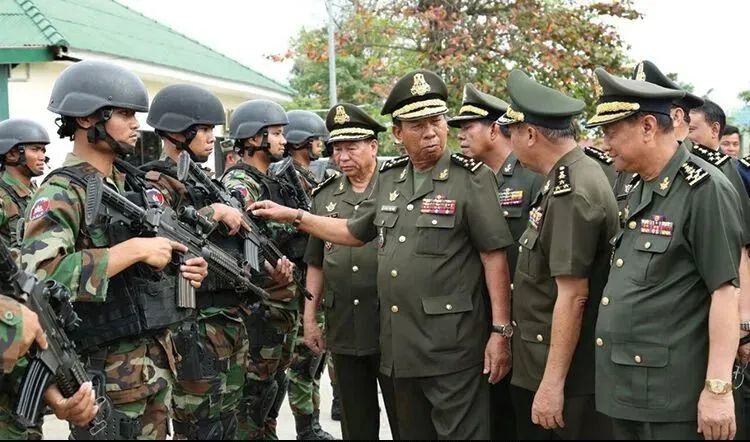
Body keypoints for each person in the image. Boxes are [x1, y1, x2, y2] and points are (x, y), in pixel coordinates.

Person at [250, 69, 515, 439]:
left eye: (436, 121)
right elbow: (352, 232)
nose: (431, 132)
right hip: (399, 348)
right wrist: (296, 216)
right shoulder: (391, 180)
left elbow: (494, 257)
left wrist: (500, 331)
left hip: (453, 347)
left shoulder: (470, 178)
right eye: (417, 124)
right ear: (397, 133)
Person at [20, 60, 208, 439]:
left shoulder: (130, 185)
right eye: (124, 114)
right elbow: (39, 278)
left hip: (154, 368)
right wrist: (135, 250)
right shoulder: (61, 192)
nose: (136, 124)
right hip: (105, 377)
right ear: (89, 119)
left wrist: (187, 269)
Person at [588, 67, 742, 440]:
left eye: (611, 133)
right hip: (628, 387)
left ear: (647, 127)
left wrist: (718, 389)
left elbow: (725, 292)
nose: (606, 144)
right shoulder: (639, 186)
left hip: (670, 396)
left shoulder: (704, 190)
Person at [142, 83, 291, 440]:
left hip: (228, 319)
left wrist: (269, 274)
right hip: (194, 323)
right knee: (200, 425)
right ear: (179, 132)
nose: (212, 139)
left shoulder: (202, 180)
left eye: (213, 130)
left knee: (229, 418)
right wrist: (214, 211)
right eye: (204, 130)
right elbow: (159, 232)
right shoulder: (156, 182)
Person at [496, 69, 617, 439]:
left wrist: (551, 385)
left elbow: (574, 295)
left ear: (530, 134)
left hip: (568, 376)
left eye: (512, 131)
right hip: (545, 362)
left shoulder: (572, 190)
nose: (509, 140)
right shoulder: (562, 178)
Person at [449, 83, 544, 439]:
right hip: (481, 315)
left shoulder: (530, 176)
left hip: (524, 316)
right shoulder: (474, 179)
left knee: (524, 413)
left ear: (493, 129)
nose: (460, 136)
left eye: (468, 127)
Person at [303, 102, 399, 440]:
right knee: (356, 422)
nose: (343, 156)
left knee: (404, 417)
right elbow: (315, 262)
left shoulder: (397, 189)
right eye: (336, 149)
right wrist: (310, 318)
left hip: (392, 326)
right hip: (344, 325)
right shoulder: (324, 197)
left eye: (351, 147)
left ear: (373, 146)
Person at [220, 99, 303, 440]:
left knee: (273, 386)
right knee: (253, 393)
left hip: (280, 303)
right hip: (261, 307)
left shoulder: (271, 178)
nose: (284, 140)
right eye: (276, 133)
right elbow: (235, 228)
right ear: (255, 138)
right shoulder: (241, 181)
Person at [282, 109, 335, 440]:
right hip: (302, 281)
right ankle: (306, 427)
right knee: (303, 362)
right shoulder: (289, 178)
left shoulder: (309, 177)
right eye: (316, 140)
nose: (320, 146)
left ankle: (312, 423)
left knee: (315, 361)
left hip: (317, 279)